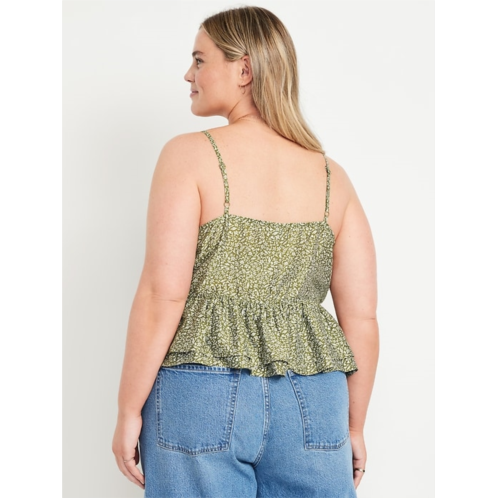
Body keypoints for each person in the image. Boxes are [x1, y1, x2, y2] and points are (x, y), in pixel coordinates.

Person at [112, 6, 379, 497]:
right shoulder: (332, 178)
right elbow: (360, 318)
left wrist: (128, 409)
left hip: (202, 392)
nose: (188, 74)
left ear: (244, 70)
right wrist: (355, 425)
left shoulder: (189, 155)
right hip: (314, 401)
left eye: (199, 60)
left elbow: (162, 296)